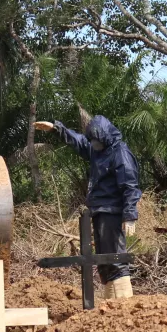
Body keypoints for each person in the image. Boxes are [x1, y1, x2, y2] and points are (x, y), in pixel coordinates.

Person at [35, 115, 142, 299]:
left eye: (96, 140)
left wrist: (130, 215)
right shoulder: (96, 150)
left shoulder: (119, 152)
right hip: (99, 210)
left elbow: (130, 185)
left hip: (113, 211)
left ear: (105, 137)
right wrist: (56, 128)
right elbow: (78, 140)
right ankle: (111, 303)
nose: (93, 143)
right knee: (103, 260)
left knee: (115, 257)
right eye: (92, 140)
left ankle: (124, 304)